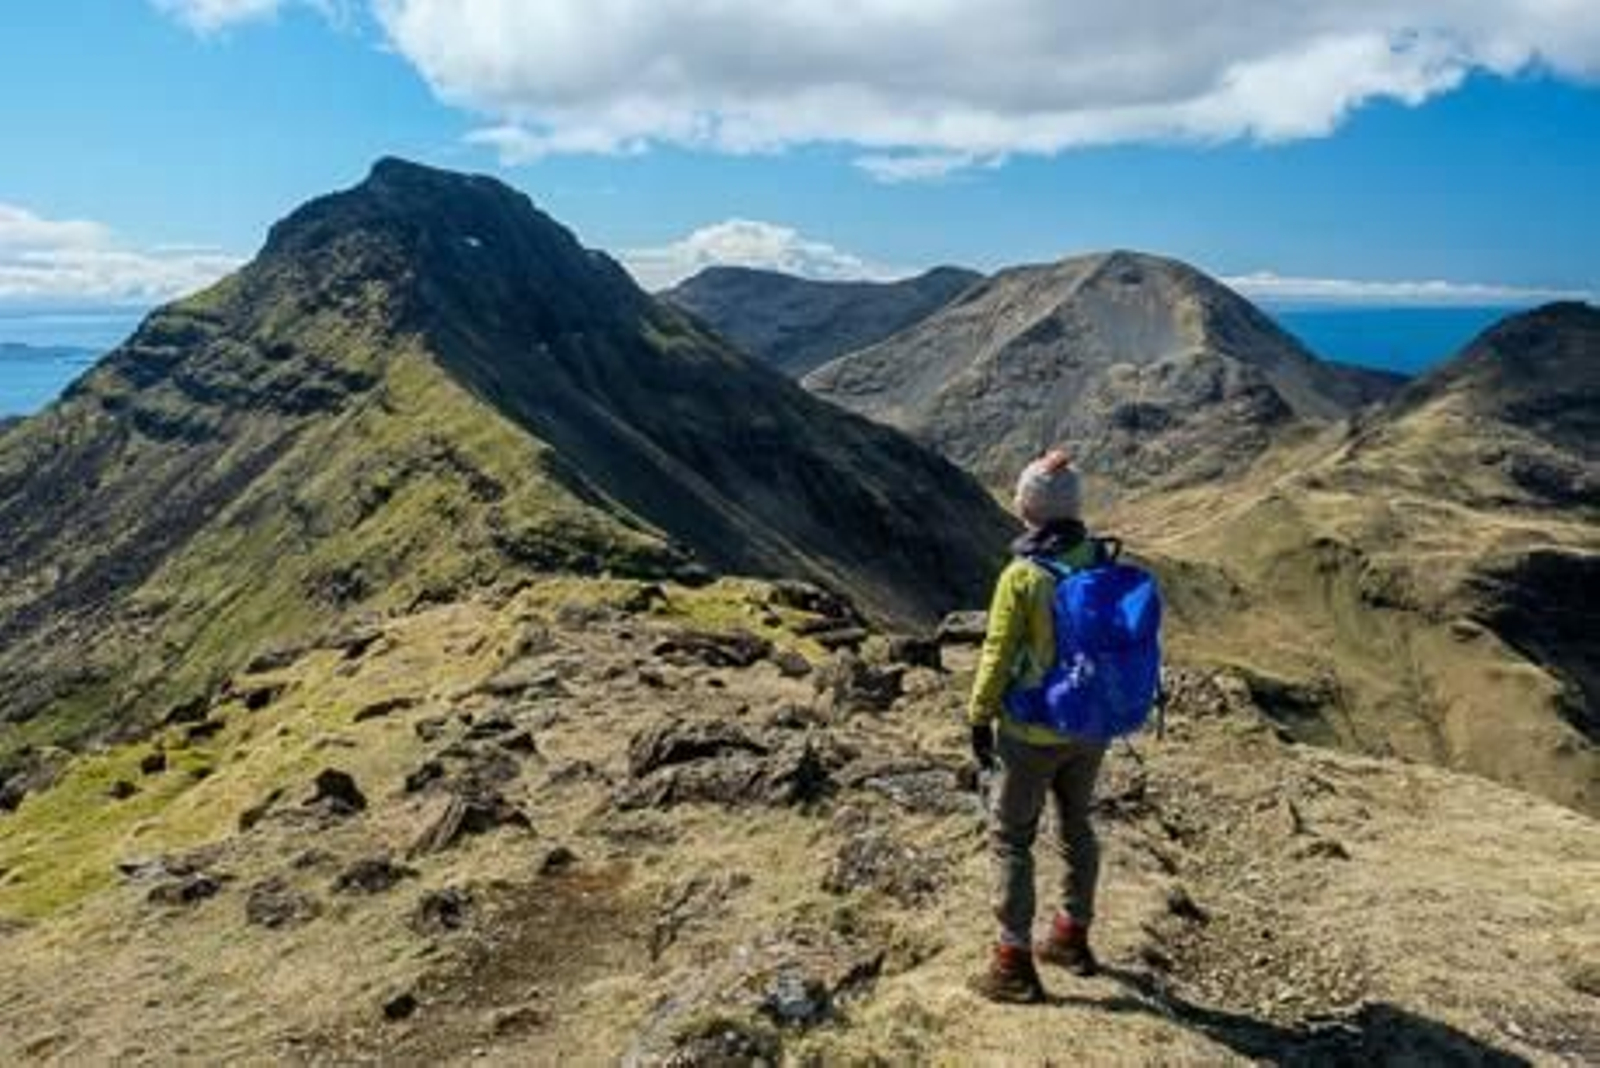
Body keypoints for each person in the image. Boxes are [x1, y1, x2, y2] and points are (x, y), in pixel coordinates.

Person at [968, 449, 1108, 1004]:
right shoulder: (1096, 556)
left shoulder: (1023, 575)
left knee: (1011, 838)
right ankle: (1072, 936)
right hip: (1090, 723)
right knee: (1077, 823)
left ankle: (1012, 963)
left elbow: (998, 652)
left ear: (1029, 508)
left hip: (1030, 730)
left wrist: (979, 715)